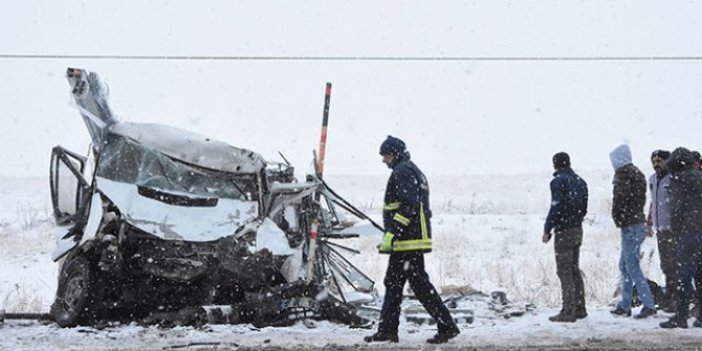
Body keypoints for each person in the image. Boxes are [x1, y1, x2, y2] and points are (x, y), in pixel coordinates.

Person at [364, 135, 460, 344]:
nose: (384, 160)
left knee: (410, 284)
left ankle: (445, 326)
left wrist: (392, 233)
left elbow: (408, 206)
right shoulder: (410, 169)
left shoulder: (403, 172)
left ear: (394, 154)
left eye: (386, 155)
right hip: (409, 241)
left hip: (407, 241)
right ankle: (390, 329)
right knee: (399, 283)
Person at [608, 144, 657, 319]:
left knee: (631, 266)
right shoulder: (638, 174)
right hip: (637, 223)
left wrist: (617, 217)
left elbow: (620, 199)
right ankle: (625, 304)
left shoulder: (623, 175)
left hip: (629, 225)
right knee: (626, 265)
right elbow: (638, 199)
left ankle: (649, 305)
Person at [542, 152, 588, 322]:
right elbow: (583, 208)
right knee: (575, 269)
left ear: (555, 165)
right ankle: (580, 307)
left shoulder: (557, 182)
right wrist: (576, 219)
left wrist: (547, 229)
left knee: (564, 271)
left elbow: (556, 207)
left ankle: (568, 310)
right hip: (577, 229)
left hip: (564, 231)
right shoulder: (581, 181)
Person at [660, 147, 702, 328]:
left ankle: (681, 315)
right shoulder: (699, 177)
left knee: (683, 276)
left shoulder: (679, 180)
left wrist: (675, 231)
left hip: (687, 234)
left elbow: (676, 211)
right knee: (700, 275)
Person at [646, 150, 676, 312]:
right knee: (665, 264)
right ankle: (670, 298)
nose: (656, 164)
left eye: (660, 161)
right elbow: (654, 202)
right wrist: (649, 222)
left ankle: (677, 299)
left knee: (674, 264)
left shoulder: (672, 179)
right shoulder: (652, 180)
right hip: (660, 229)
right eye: (654, 161)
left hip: (673, 229)